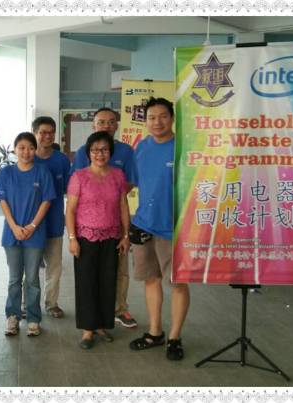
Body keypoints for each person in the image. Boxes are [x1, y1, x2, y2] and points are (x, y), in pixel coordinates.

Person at [128, 97, 189, 360]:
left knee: (178, 283)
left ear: (172, 118)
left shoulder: (183, 147)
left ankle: (175, 337)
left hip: (175, 227)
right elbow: (131, 184)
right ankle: (155, 332)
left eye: (163, 116)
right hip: (144, 224)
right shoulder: (142, 147)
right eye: (151, 117)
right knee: (151, 279)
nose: (157, 122)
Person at [71, 107, 138, 328]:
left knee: (116, 274)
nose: (106, 125)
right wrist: (72, 236)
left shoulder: (125, 153)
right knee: (88, 278)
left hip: (114, 227)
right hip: (87, 230)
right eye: (101, 122)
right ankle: (89, 325)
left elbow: (128, 187)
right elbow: (74, 196)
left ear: (116, 125)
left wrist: (109, 195)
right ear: (93, 125)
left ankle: (118, 311)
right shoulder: (82, 154)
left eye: (110, 122)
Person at [66, 131, 130, 349]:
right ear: (88, 153)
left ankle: (102, 325)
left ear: (110, 152)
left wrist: (125, 235)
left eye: (104, 150)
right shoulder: (79, 177)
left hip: (112, 237)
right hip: (85, 238)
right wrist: (72, 238)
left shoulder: (118, 175)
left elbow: (123, 206)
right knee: (87, 283)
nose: (99, 154)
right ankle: (87, 330)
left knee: (107, 282)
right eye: (95, 150)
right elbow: (70, 210)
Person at [0, 132, 55, 337]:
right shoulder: (6, 173)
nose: (26, 152)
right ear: (14, 149)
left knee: (32, 279)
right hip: (11, 234)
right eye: (22, 148)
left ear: (35, 150)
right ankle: (12, 316)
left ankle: (33, 318)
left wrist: (32, 226)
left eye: (30, 148)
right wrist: (14, 227)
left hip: (35, 234)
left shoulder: (42, 172)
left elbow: (46, 201)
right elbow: (2, 201)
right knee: (14, 278)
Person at [33, 116, 71, 318]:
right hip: (31, 225)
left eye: (51, 132)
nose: (47, 136)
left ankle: (51, 303)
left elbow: (68, 190)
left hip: (54, 221)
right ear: (35, 133)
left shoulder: (61, 160)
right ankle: (27, 305)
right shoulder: (28, 157)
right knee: (29, 268)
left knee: (54, 267)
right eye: (42, 132)